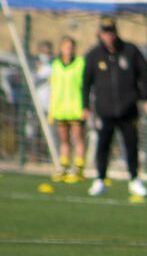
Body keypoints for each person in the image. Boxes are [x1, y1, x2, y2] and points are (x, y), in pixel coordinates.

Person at [83, 16, 147, 197]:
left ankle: (134, 179)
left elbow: (145, 74)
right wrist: (85, 105)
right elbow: (86, 82)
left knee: (131, 145)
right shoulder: (94, 55)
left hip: (127, 109)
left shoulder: (130, 51)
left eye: (111, 33)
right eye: (106, 33)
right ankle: (100, 179)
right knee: (103, 145)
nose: (109, 37)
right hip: (104, 110)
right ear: (100, 34)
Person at [48, 37, 86, 183]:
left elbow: (84, 85)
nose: (68, 49)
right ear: (61, 47)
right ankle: (63, 167)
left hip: (76, 107)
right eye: (66, 46)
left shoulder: (80, 63)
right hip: (60, 108)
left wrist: (85, 106)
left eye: (71, 46)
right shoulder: (56, 65)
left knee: (78, 138)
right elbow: (54, 87)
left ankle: (78, 168)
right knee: (64, 139)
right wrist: (52, 111)